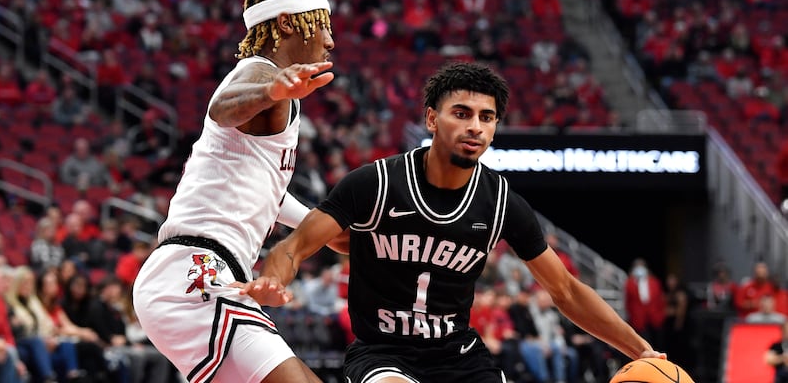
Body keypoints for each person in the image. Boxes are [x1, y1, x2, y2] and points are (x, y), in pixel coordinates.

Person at [243, 62, 664, 382]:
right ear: (431, 119)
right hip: (383, 353)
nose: (475, 127)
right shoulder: (375, 183)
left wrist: (640, 350)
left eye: (486, 117)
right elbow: (293, 247)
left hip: (459, 355)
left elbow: (567, 290)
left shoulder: (501, 202)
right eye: (461, 113)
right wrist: (272, 282)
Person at [132, 0, 335, 383]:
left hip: (200, 274)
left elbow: (273, 199)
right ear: (286, 24)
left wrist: (334, 229)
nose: (330, 40)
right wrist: (272, 91)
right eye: (323, 24)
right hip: (195, 270)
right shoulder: (258, 73)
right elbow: (223, 108)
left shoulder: (264, 127)